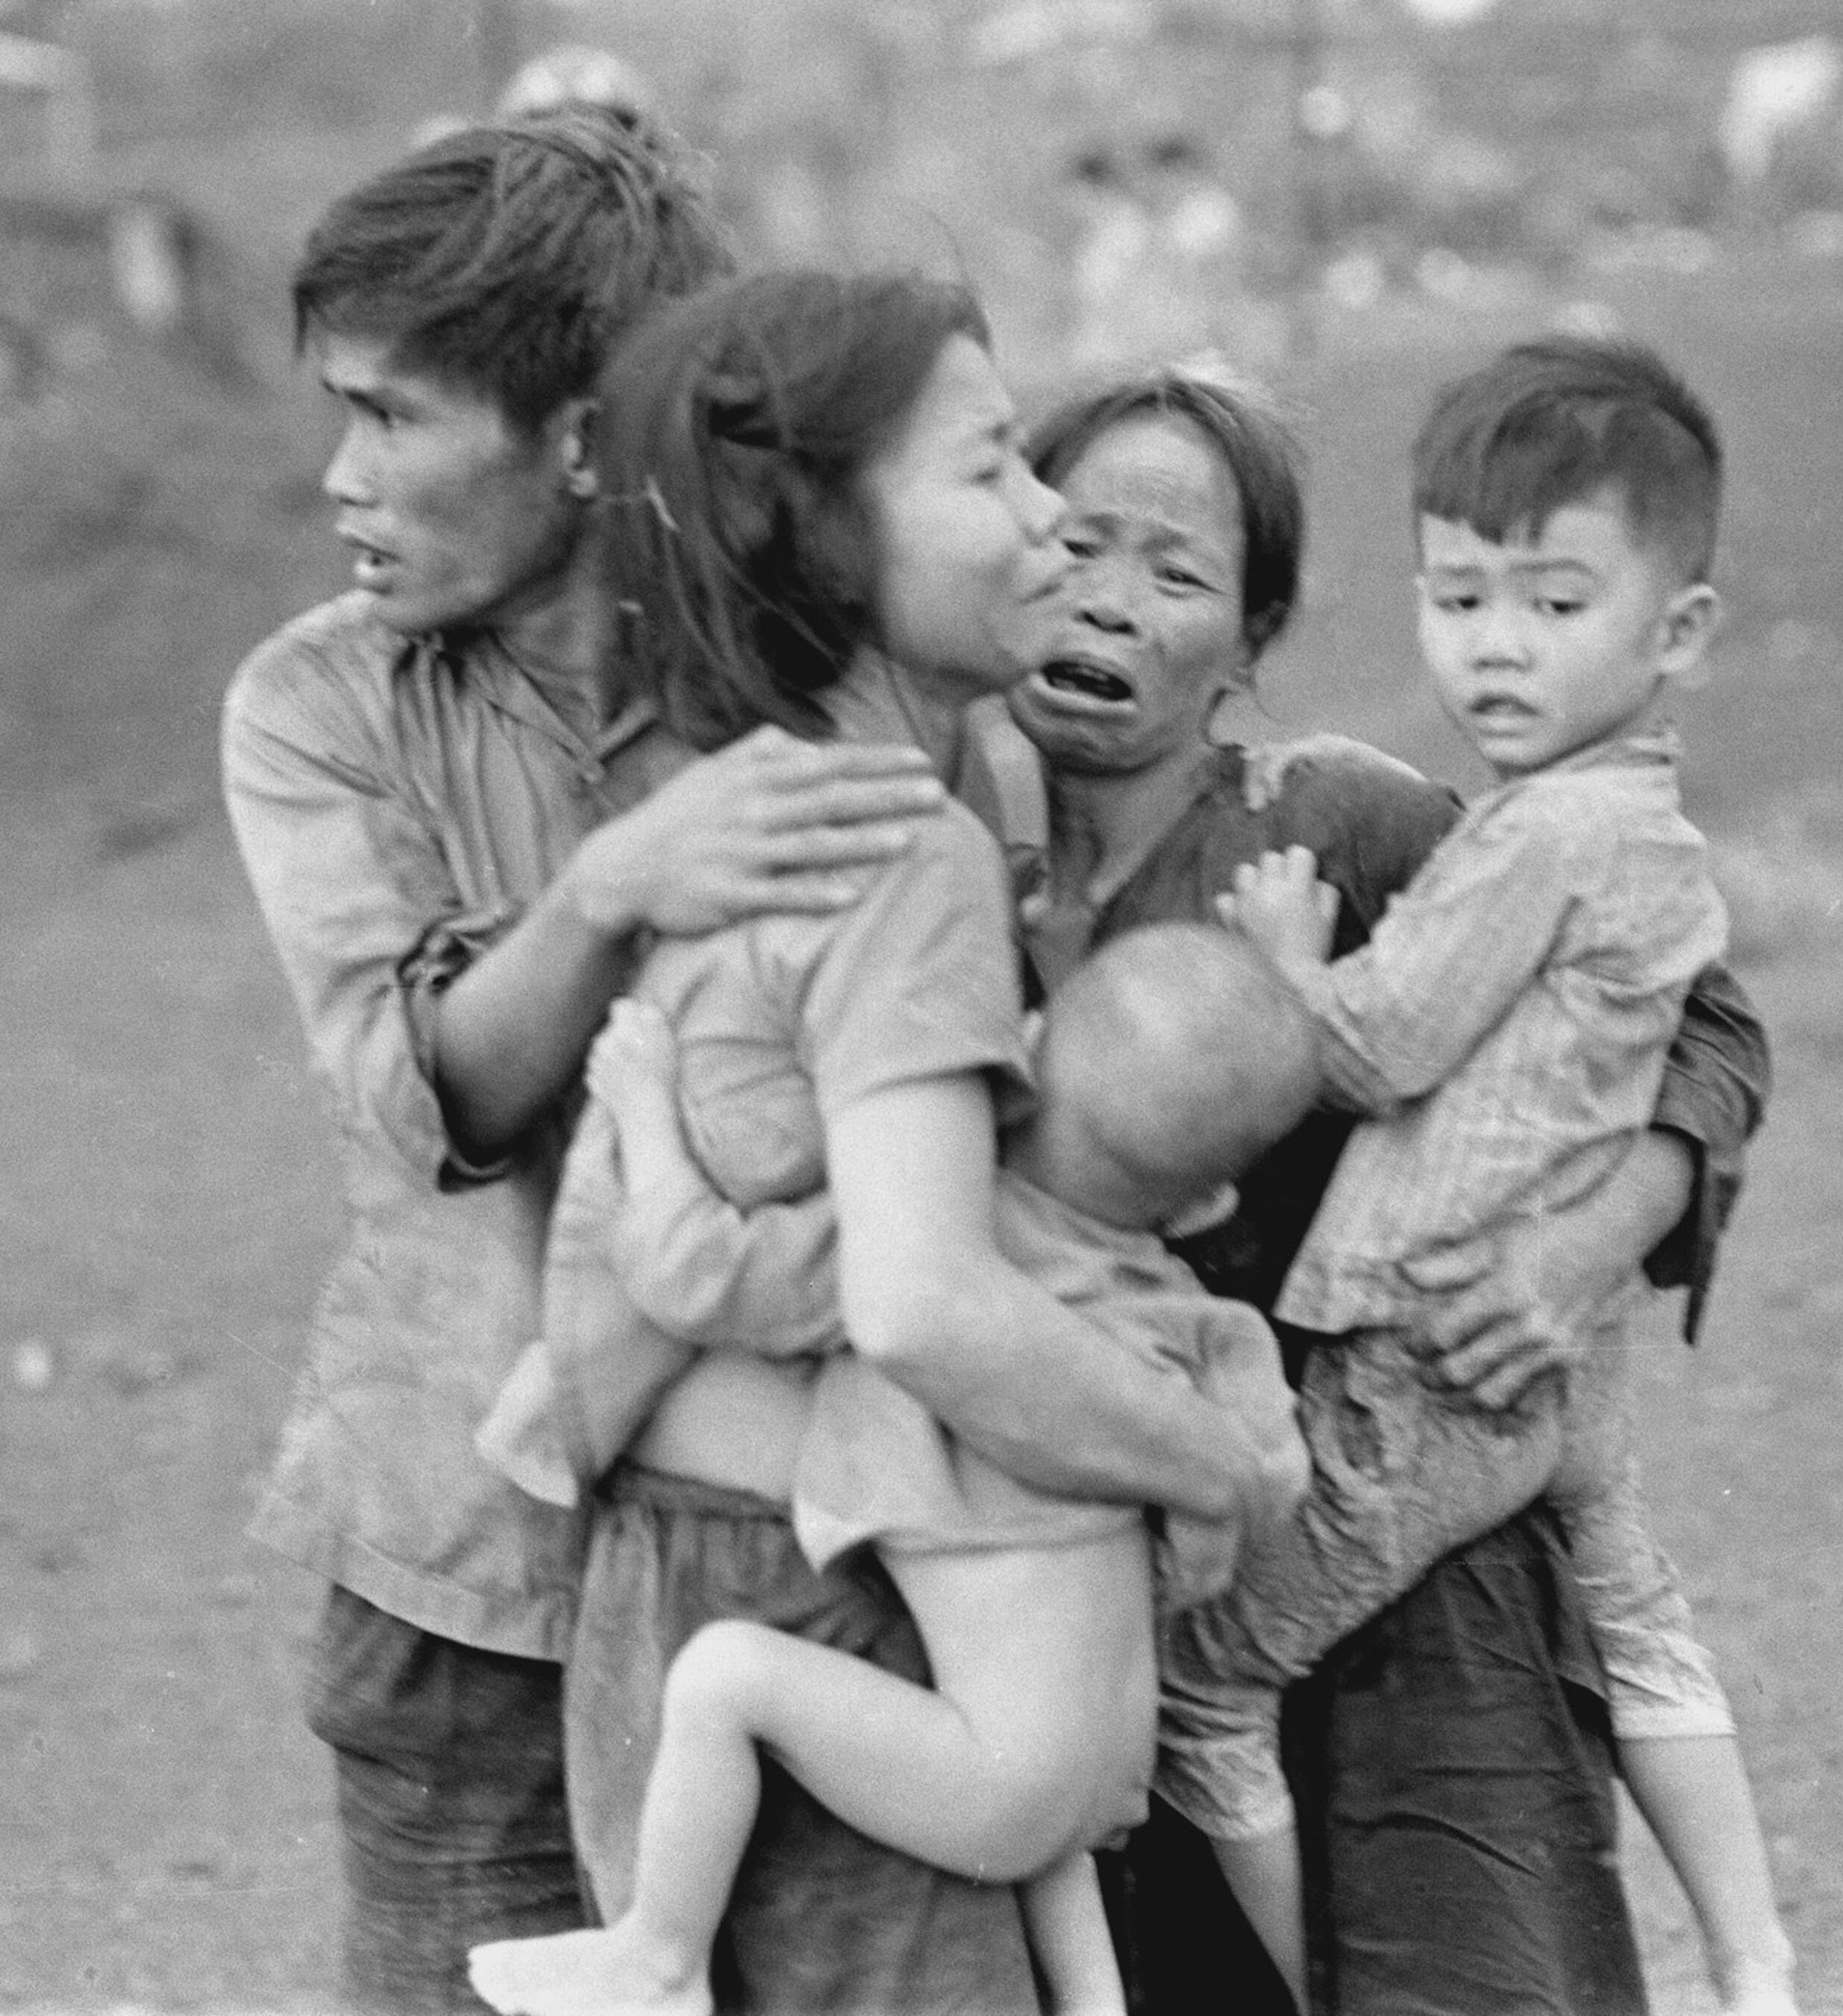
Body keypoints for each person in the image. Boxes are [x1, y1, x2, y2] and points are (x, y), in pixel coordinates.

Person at [219, 111, 1239, 2014]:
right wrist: (611, 890)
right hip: (471, 1575)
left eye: (392, 417)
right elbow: (411, 1093)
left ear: (595, 438)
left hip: (816, 1550)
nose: (346, 479)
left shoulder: (870, 708)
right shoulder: (317, 704)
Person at [507, 268, 1293, 2015]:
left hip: (681, 1565)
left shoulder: (734, 794)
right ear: (824, 538)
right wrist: (1212, 1464)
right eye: (993, 470)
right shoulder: (910, 852)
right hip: (826, 1582)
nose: (1046, 520)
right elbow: (925, 1304)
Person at [1004, 365, 1773, 2016]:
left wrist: (1590, 1241)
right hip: (1089, 1585)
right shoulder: (939, 877)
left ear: (1254, 633)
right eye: (1076, 546)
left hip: (1415, 1550)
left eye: (1181, 571)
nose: (1113, 600)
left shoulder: (1338, 825)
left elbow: (1700, 1022)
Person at [469, 918, 1319, 2016]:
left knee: (728, 1675)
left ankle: (657, 1958)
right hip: (1115, 1755)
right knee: (1027, 1775)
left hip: (1000, 1781)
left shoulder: (928, 1254)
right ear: (1205, 1204)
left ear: (1014, 1053)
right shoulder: (1191, 1320)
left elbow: (694, 1274)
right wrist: (1188, 1551)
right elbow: (1262, 1477)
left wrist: (646, 1112)